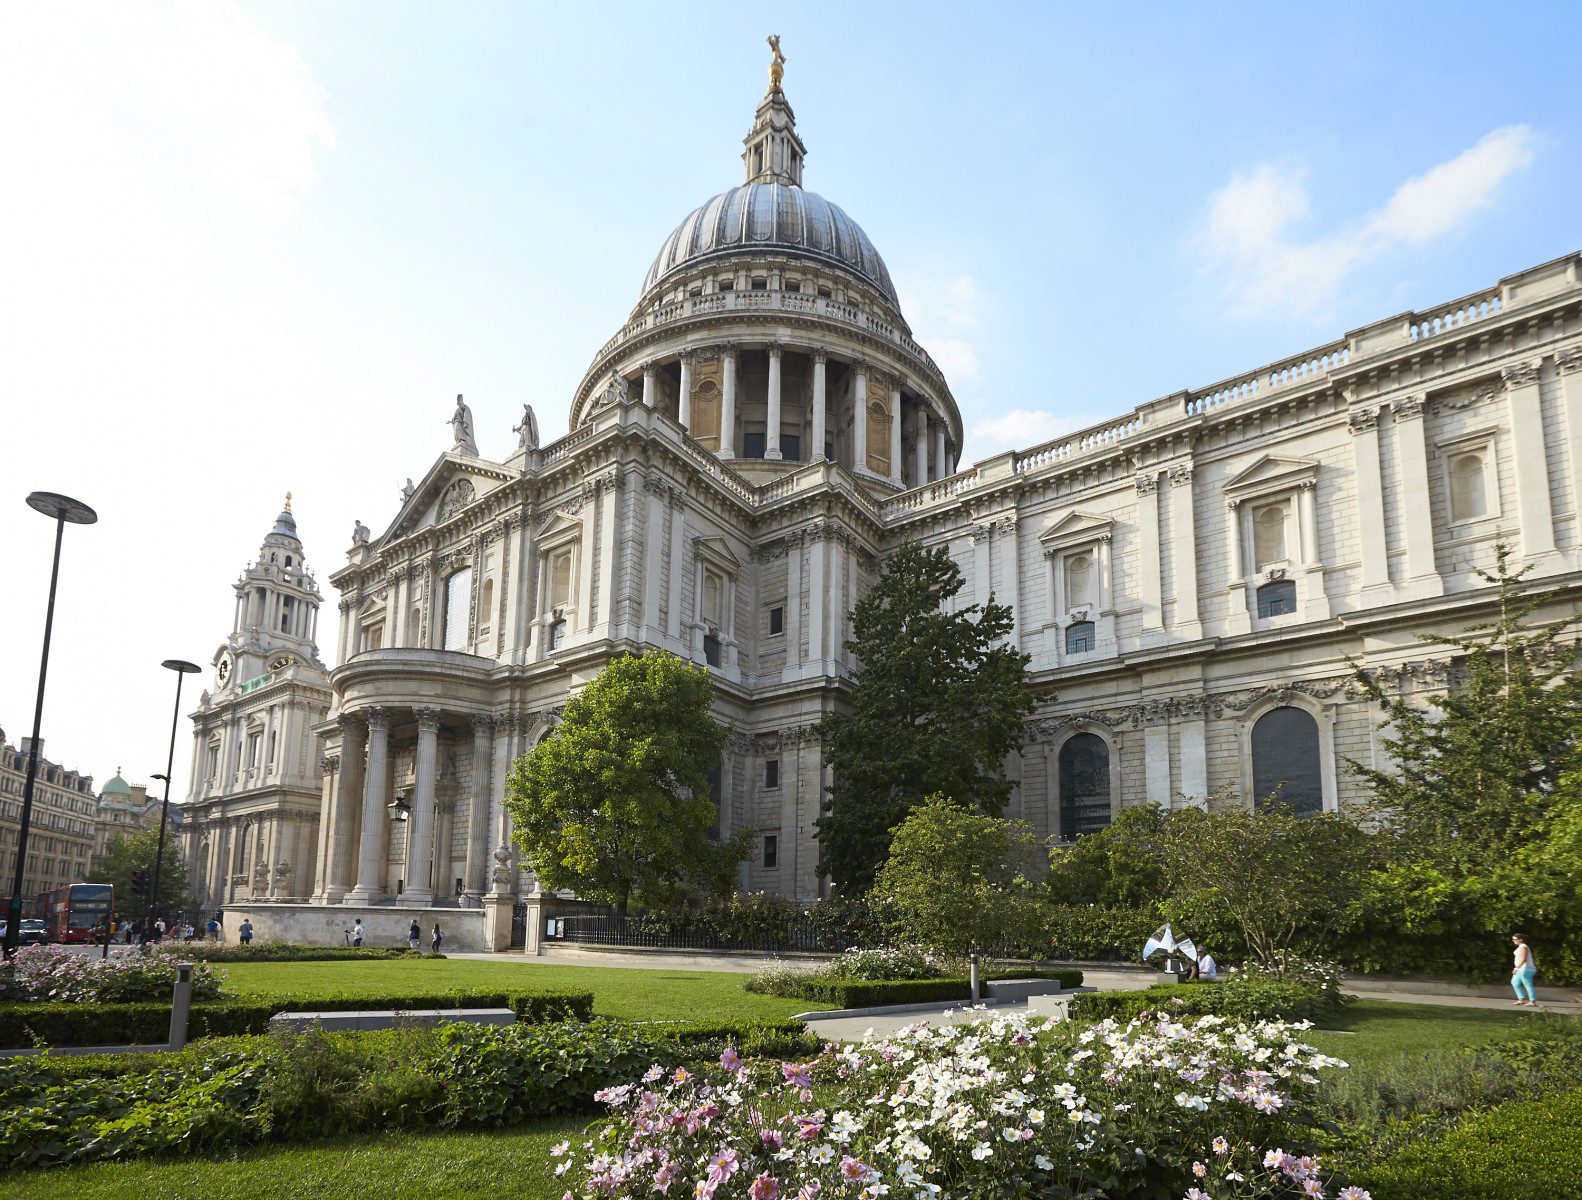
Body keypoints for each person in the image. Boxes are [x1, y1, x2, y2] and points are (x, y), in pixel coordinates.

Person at [1512, 932, 1539, 1006]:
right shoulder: (1520, 946)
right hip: (1520, 969)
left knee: (1528, 985)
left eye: (1515, 939)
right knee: (1515, 983)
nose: (1513, 941)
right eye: (1513, 939)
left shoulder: (1523, 946)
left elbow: (1524, 958)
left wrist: (1516, 968)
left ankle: (1532, 1002)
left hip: (1526, 969)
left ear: (1520, 940)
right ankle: (1521, 1000)